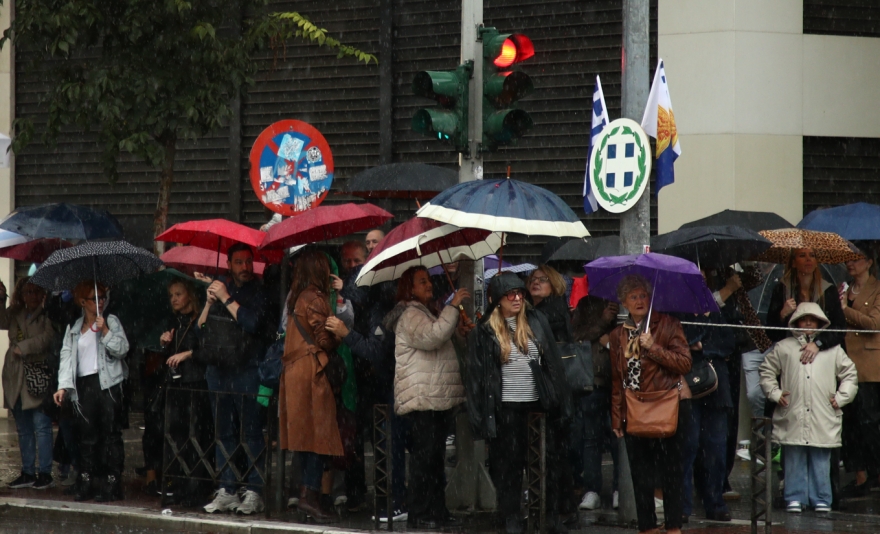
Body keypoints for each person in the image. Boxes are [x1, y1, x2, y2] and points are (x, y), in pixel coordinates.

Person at [466, 272, 572, 534]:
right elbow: (476, 377)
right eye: (510, 294)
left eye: (519, 293)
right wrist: (480, 418)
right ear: (497, 300)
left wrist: (563, 403)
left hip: (538, 406)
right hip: (505, 409)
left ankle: (549, 516)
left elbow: (554, 365)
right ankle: (511, 517)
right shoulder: (485, 330)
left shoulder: (536, 320)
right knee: (508, 467)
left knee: (546, 464)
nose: (517, 298)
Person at [383, 266, 469, 529]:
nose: (429, 285)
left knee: (434, 459)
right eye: (422, 282)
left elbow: (442, 337)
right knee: (424, 459)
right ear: (410, 288)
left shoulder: (426, 311)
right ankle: (419, 513)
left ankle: (436, 510)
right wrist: (453, 307)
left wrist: (459, 329)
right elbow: (432, 337)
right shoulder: (410, 314)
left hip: (435, 397)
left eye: (429, 280)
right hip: (423, 399)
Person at [610, 274, 692, 534]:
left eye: (643, 295)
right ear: (623, 302)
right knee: (640, 472)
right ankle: (647, 526)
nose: (639, 300)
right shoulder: (617, 334)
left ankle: (674, 526)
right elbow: (616, 379)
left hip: (669, 404)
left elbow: (684, 363)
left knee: (672, 470)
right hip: (635, 407)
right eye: (632, 296)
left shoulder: (668, 324)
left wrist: (653, 347)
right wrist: (617, 417)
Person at [759, 302, 858, 513]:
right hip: (792, 413)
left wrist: (841, 398)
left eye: (812, 320)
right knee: (793, 456)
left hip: (823, 414)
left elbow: (850, 374)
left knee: (821, 458)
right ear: (795, 322)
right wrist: (775, 394)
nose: (807, 324)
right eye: (803, 320)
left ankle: (821, 498)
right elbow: (766, 371)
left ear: (820, 323)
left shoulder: (833, 351)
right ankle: (794, 497)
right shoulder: (783, 347)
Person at [200, 243, 273, 515]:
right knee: (223, 431)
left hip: (247, 368)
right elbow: (200, 329)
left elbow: (252, 323)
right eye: (239, 262)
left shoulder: (259, 291)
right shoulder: (219, 287)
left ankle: (254, 490)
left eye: (248, 262)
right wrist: (209, 302)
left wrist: (228, 298)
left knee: (252, 431)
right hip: (218, 370)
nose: (245, 267)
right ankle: (227, 488)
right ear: (228, 264)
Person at [280, 249, 344, 523]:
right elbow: (324, 339)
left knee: (304, 438)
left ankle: (306, 493)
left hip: (295, 372)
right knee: (319, 436)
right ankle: (311, 495)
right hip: (311, 372)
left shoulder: (296, 297)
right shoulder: (315, 299)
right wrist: (339, 333)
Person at [53, 280, 130, 502]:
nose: (100, 301)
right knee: (87, 437)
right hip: (84, 386)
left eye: (103, 297)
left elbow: (122, 350)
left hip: (107, 384)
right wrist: (63, 386)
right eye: (95, 298)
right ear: (83, 301)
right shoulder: (75, 328)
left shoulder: (111, 320)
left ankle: (112, 483)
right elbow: (66, 357)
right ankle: (87, 481)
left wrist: (104, 329)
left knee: (110, 435)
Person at [676, 270, 741, 523]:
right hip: (688, 388)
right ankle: (682, 505)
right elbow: (682, 340)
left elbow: (728, 343)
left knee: (715, 447)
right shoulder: (678, 314)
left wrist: (703, 346)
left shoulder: (718, 311)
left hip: (717, 388)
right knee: (687, 446)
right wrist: (702, 330)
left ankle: (715, 501)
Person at [156, 278, 214, 506]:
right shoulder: (175, 321)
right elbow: (169, 356)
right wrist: (165, 343)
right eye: (171, 296)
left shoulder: (198, 318)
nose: (174, 299)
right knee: (178, 435)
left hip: (196, 383)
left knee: (197, 434)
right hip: (178, 385)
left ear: (189, 295)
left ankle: (198, 486)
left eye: (178, 294)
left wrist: (188, 353)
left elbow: (204, 347)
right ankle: (179, 484)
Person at [0, 279, 55, 490]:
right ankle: (28, 471)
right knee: (23, 428)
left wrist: (24, 347)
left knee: (41, 426)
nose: (31, 296)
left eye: (35, 292)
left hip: (37, 374)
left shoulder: (47, 313)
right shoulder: (16, 312)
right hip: (15, 376)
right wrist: (0, 297)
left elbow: (47, 338)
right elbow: (1, 319)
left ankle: (45, 472)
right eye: (27, 292)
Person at [572, 295, 620, 511]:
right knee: (591, 438)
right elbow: (577, 334)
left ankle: (620, 487)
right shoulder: (586, 303)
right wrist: (603, 320)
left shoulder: (629, 301)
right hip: (594, 380)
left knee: (619, 437)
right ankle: (592, 489)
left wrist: (613, 338)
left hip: (621, 381)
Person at [839, 253, 880, 496]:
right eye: (848, 259)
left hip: (868, 365)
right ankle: (859, 475)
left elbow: (873, 323)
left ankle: (875, 470)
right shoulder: (842, 288)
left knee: (869, 421)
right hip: (844, 362)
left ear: (870, 262)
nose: (851, 264)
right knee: (849, 422)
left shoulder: (877, 289)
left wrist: (845, 309)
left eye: (857, 259)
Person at [528, 265, 573, 342]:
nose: (535, 282)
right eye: (533, 279)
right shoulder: (527, 306)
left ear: (553, 285)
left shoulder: (555, 309)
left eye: (542, 280)